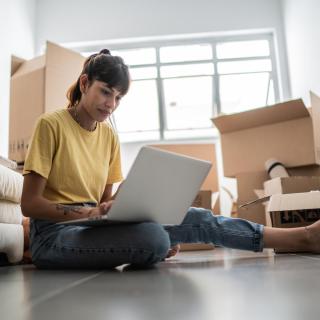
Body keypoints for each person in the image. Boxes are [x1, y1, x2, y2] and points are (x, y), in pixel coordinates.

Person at [19, 49, 320, 270]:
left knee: (197, 217)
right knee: (154, 239)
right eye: (105, 92)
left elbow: (103, 202)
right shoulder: (51, 124)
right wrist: (91, 214)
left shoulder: (109, 136)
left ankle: (301, 237)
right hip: (52, 234)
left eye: (119, 97)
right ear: (84, 83)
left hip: (91, 226)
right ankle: (149, 245)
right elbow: (29, 204)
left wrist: (118, 207)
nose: (111, 104)